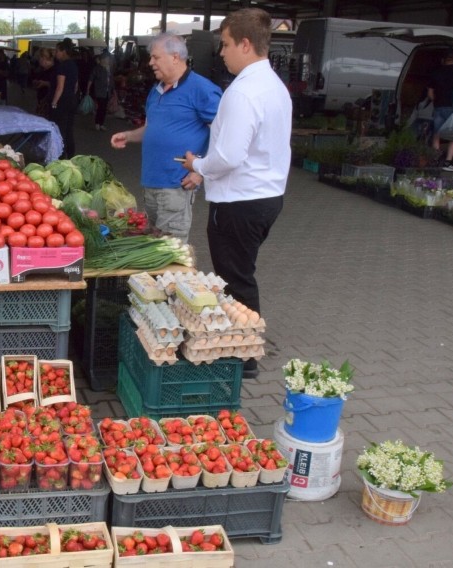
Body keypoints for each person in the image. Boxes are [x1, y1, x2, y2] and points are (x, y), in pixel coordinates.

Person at [181, 8, 292, 378]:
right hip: (266, 197)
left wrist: (197, 166)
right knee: (242, 271)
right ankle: (241, 345)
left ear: (246, 44)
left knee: (236, 278)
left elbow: (229, 155)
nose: (222, 53)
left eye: (226, 45)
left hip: (239, 202)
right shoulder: (274, 86)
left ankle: (244, 356)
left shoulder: (243, 92)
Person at [109, 33, 221, 241]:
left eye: (155, 57)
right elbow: (152, 128)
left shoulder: (202, 89)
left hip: (176, 184)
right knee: (154, 245)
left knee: (170, 249)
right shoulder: (156, 90)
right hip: (150, 183)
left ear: (175, 57)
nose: (150, 62)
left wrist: (201, 171)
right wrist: (129, 135)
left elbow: (224, 134)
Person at [51, 38, 80, 159]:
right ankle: (71, 154)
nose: (55, 53)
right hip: (72, 99)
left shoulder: (62, 66)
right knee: (69, 129)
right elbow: (76, 85)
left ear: (64, 51)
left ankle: (61, 155)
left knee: (60, 129)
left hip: (62, 101)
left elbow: (60, 87)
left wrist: (54, 103)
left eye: (57, 51)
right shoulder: (73, 65)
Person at [428, 49, 453, 171]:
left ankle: (434, 159)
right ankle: (448, 162)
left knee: (437, 134)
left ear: (443, 60)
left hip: (439, 106)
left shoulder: (435, 72)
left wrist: (436, 102)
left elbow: (430, 93)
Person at [86, 53, 114, 131]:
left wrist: (113, 90)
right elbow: (91, 79)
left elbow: (111, 80)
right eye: (107, 59)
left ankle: (101, 123)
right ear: (103, 60)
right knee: (101, 107)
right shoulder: (97, 68)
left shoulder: (109, 69)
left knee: (104, 108)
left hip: (107, 91)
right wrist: (88, 89)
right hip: (99, 91)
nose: (108, 61)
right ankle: (97, 123)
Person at [32, 48, 56, 118]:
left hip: (48, 100)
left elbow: (56, 85)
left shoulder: (54, 70)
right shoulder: (42, 69)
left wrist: (45, 83)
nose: (39, 60)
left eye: (40, 57)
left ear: (44, 58)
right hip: (41, 98)